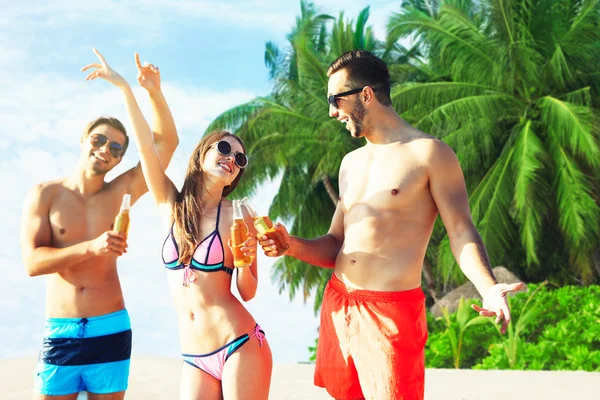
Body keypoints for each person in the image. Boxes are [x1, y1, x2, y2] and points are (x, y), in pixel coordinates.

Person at [258, 50, 524, 400]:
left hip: (391, 314)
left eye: (335, 99)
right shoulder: (350, 163)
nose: (331, 112)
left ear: (366, 95)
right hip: (340, 303)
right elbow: (336, 244)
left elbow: (461, 231)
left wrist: (488, 287)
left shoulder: (430, 154)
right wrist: (289, 244)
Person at [83, 51, 273, 399]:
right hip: (194, 357)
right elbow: (146, 144)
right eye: (225, 148)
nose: (231, 158)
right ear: (202, 153)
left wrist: (246, 260)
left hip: (240, 344)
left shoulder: (239, 214)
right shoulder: (171, 205)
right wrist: (134, 89)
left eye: (239, 159)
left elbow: (246, 292)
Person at [20, 48, 179, 399]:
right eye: (99, 139)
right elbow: (32, 263)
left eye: (117, 148)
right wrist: (92, 247)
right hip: (60, 332)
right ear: (83, 139)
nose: (106, 150)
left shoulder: (120, 192)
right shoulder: (45, 195)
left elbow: (165, 144)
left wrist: (147, 91)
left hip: (110, 328)